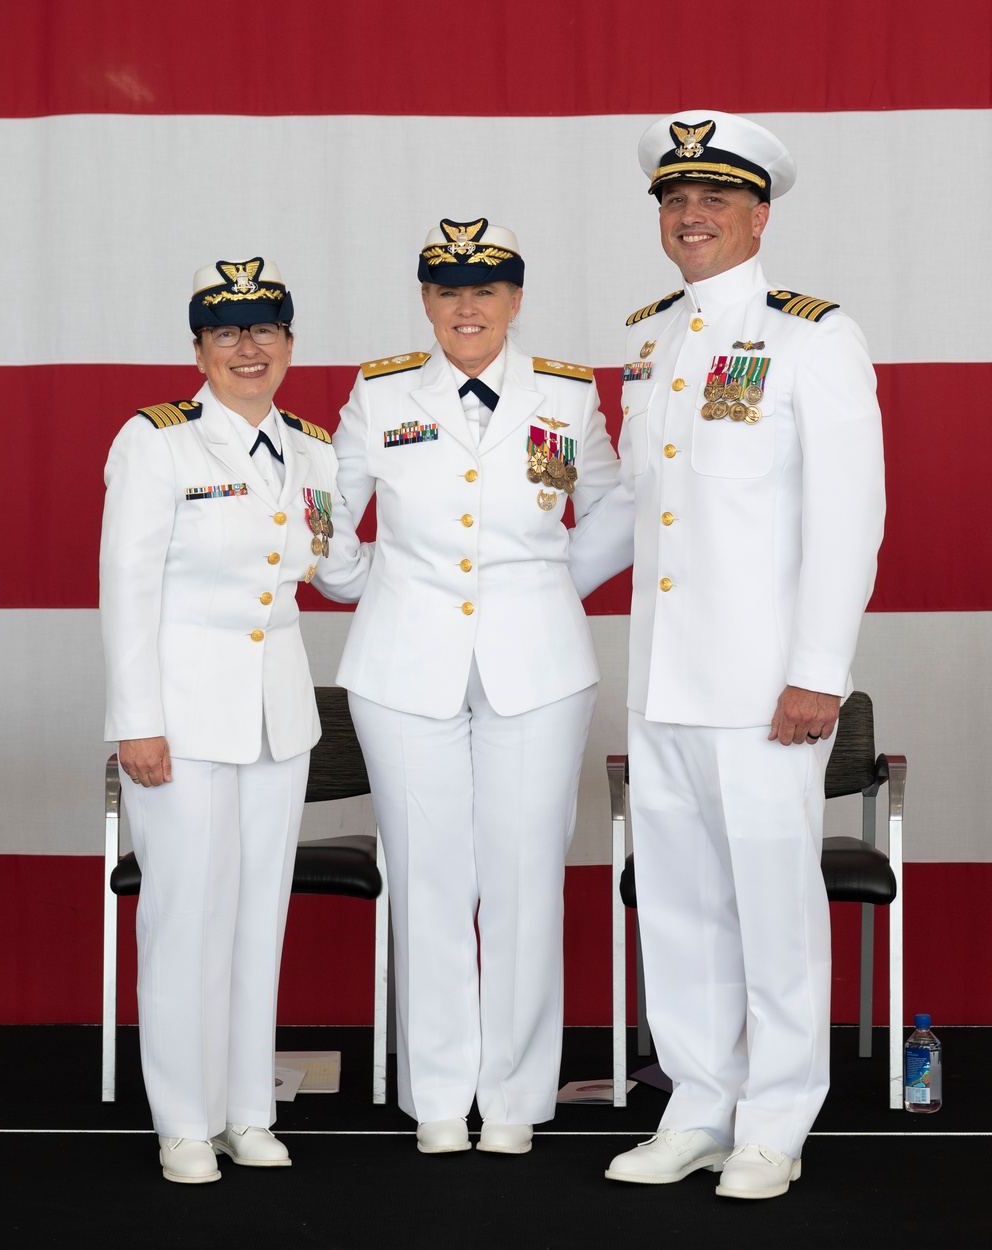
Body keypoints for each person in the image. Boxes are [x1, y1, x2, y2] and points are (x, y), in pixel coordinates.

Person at [569, 112, 886, 1199]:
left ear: (759, 213)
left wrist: (818, 670)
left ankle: (775, 1119)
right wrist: (520, 582)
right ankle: (698, 1104)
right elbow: (633, 511)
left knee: (771, 904)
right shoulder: (649, 335)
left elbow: (849, 519)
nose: (688, 217)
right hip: (663, 677)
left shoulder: (812, 335)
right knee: (679, 902)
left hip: (763, 685)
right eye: (672, 200)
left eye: (711, 200)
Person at [329, 218, 619, 1155]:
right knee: (428, 879)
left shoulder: (567, 397)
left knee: (526, 880)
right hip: (402, 665)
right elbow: (332, 516)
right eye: (448, 289)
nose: (467, 306)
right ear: (425, 300)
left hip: (536, 664)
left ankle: (516, 1100)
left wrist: (540, 590)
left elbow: (611, 507)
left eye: (485, 289)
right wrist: (377, 587)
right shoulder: (380, 395)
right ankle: (441, 1097)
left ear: (515, 300)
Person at [99, 257, 370, 1183]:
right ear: (200, 350)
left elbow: (338, 571)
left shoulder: (315, 447)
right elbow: (125, 592)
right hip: (179, 715)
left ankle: (247, 1111)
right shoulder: (157, 442)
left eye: (265, 332)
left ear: (291, 345)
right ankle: (183, 1121)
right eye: (227, 334)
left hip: (277, 717)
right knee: (185, 916)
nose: (248, 350)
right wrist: (136, 721)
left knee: (260, 918)